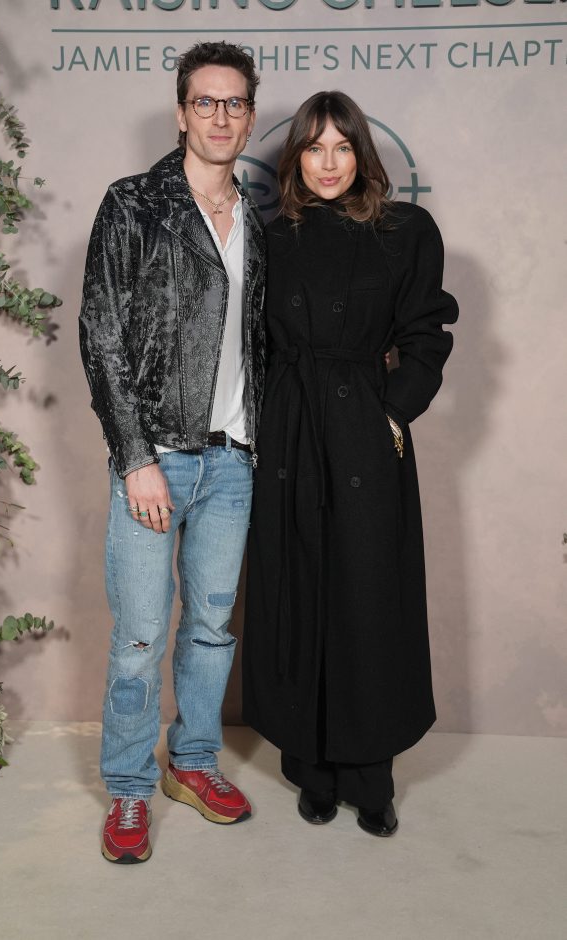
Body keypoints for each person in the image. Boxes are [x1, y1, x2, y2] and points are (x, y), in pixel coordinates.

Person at [242, 91, 458, 837]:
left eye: (342, 147)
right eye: (314, 148)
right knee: (297, 590)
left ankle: (371, 777)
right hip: (290, 430)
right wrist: (262, 425)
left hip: (365, 429)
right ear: (296, 158)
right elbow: (251, 343)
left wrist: (392, 412)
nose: (328, 163)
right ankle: (311, 770)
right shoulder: (269, 237)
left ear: (362, 155)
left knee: (369, 597)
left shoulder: (406, 231)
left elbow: (427, 332)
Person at [79, 42, 265, 864]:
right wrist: (135, 458)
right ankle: (128, 788)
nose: (220, 116)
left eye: (234, 103)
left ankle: (192, 763)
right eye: (205, 102)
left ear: (249, 117)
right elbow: (101, 336)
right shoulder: (134, 204)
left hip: (234, 462)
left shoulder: (258, 220)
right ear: (182, 112)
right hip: (157, 457)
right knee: (141, 637)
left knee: (212, 628)